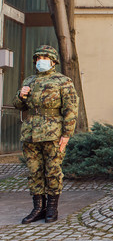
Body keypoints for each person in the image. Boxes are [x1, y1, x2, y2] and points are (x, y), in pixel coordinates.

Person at [13, 45, 79, 224]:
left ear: (53, 61)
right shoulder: (30, 80)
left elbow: (71, 109)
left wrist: (66, 134)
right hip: (30, 134)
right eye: (38, 58)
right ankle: (38, 208)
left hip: (53, 134)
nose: (41, 61)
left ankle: (52, 208)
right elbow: (19, 106)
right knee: (34, 172)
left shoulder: (62, 81)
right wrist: (21, 96)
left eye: (45, 58)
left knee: (52, 171)